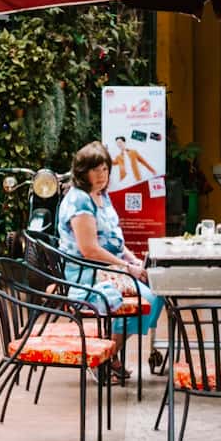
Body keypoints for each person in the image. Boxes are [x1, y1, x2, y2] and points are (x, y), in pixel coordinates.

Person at [55, 144, 160, 360]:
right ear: (82, 172)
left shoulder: (101, 194)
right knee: (148, 297)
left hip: (108, 267)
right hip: (87, 273)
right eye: (95, 170)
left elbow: (114, 238)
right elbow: (90, 250)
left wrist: (134, 261)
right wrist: (126, 268)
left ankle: (110, 350)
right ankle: (108, 356)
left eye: (105, 169)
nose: (102, 175)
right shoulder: (79, 200)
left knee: (161, 287)